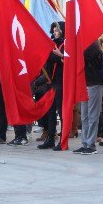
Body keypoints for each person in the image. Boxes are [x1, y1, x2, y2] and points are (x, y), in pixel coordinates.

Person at [73, 41, 103, 155]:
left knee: (92, 115)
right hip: (85, 83)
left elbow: (83, 57)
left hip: (94, 83)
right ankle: (85, 143)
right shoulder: (84, 43)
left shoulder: (93, 45)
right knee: (84, 116)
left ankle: (91, 144)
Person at [38, 21, 65, 151]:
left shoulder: (66, 44)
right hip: (50, 81)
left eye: (57, 30)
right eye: (53, 31)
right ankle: (50, 138)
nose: (55, 33)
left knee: (61, 111)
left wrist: (59, 56)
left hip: (61, 81)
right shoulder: (51, 44)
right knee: (50, 111)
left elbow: (67, 60)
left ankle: (63, 140)